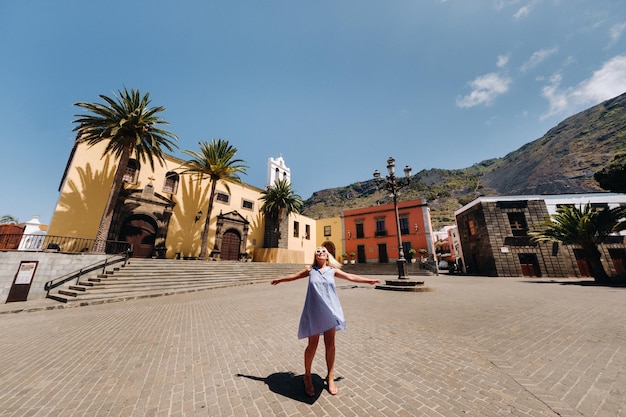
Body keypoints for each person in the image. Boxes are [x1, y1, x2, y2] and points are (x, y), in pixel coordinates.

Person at [271, 247, 380, 396]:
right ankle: (307, 376)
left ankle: (330, 377)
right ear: (315, 256)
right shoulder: (310, 271)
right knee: (312, 345)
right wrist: (280, 279)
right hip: (314, 312)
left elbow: (350, 277)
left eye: (323, 251)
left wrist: (368, 281)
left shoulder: (332, 271)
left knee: (330, 345)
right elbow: (294, 276)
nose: (320, 252)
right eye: (318, 251)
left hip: (330, 312)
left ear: (327, 255)